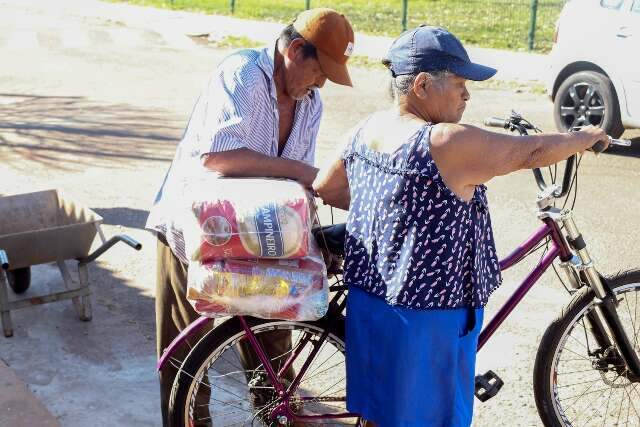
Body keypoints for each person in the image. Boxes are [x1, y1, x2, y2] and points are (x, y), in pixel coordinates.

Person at [313, 25, 608, 427]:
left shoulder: (368, 129)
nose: (467, 95)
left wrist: (393, 207)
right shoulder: (442, 142)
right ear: (420, 85)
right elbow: (532, 151)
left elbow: (326, 186)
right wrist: (582, 137)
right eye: (458, 84)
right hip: (429, 316)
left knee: (384, 412)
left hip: (372, 303)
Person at [145, 8, 355, 425]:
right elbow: (219, 155)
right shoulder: (242, 72)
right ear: (296, 50)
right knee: (186, 353)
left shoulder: (310, 103)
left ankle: (275, 417)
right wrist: (306, 175)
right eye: (319, 71)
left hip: (263, 232)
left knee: (275, 338)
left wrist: (312, 236)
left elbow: (296, 190)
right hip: (196, 229)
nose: (320, 83)